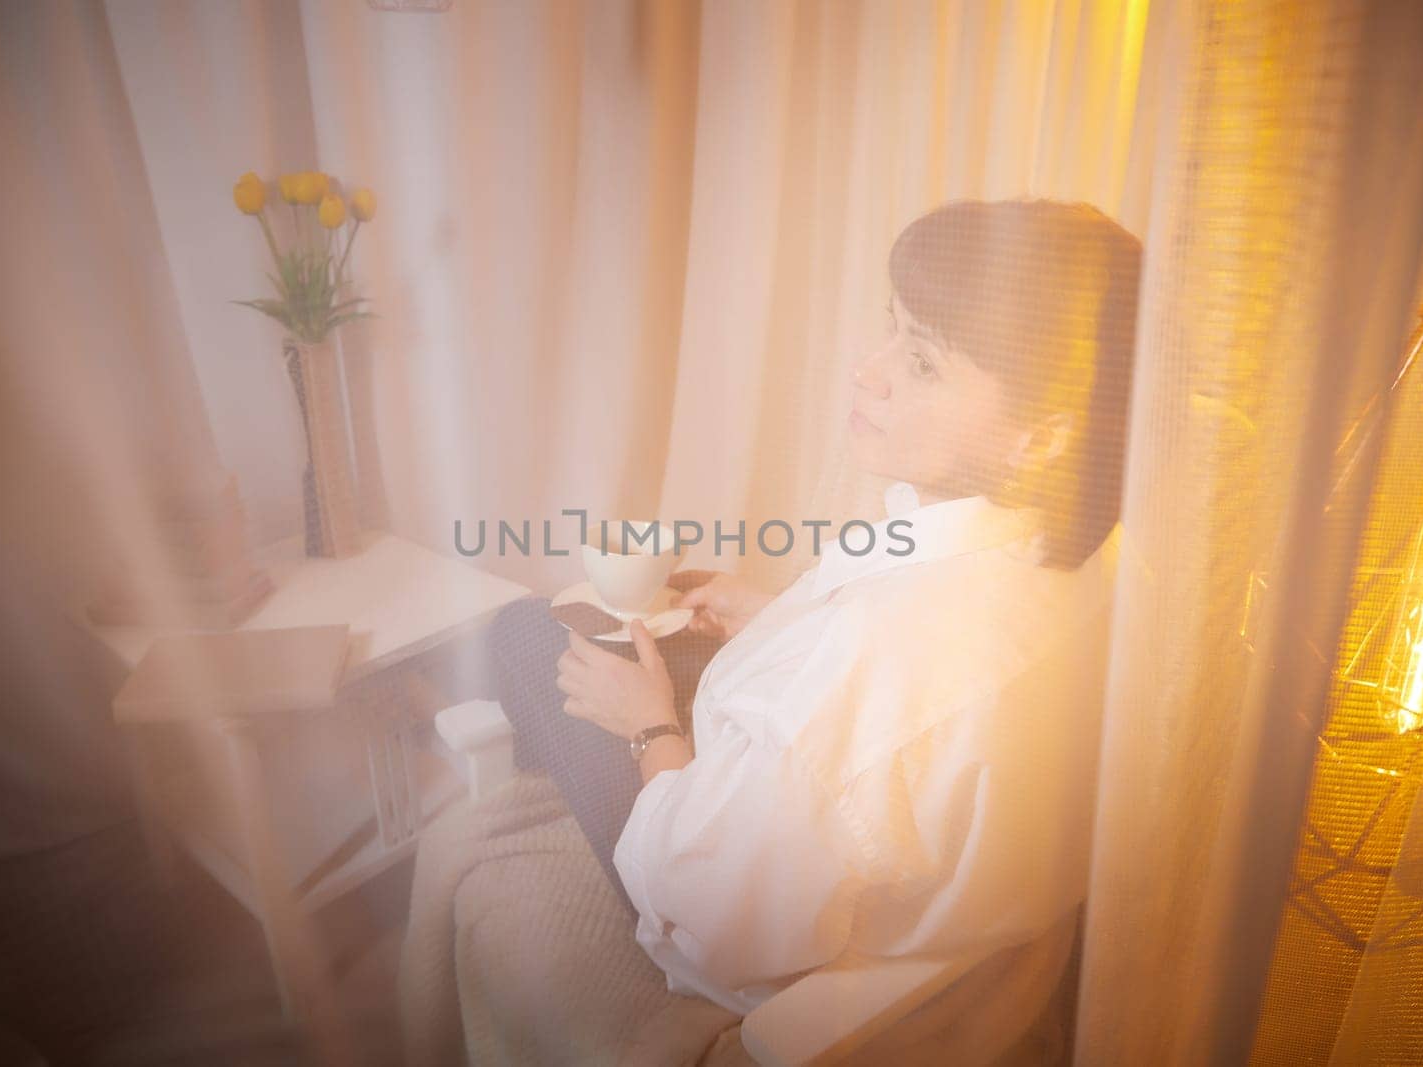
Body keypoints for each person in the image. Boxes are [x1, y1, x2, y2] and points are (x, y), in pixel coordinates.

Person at [443, 198, 1140, 1062]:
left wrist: (650, 727)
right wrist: (777, 623)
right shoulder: (1093, 569)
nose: (868, 370)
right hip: (869, 836)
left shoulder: (891, 648)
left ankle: (529, 736)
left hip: (722, 899)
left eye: (921, 363)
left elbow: (711, 909)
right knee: (646, 633)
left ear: (1042, 436)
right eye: (892, 329)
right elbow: (899, 725)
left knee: (522, 631)